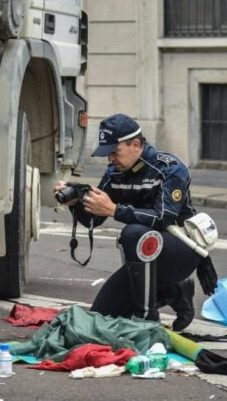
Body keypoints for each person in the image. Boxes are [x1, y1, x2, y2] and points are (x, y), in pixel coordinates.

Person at [54, 113, 203, 331]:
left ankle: (147, 317)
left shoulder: (169, 168)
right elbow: (95, 219)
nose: (110, 159)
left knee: (133, 234)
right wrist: (77, 203)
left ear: (135, 144)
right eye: (107, 154)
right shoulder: (114, 172)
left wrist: (115, 210)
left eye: (115, 152)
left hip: (182, 250)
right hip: (144, 257)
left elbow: (164, 218)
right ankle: (175, 291)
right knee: (98, 318)